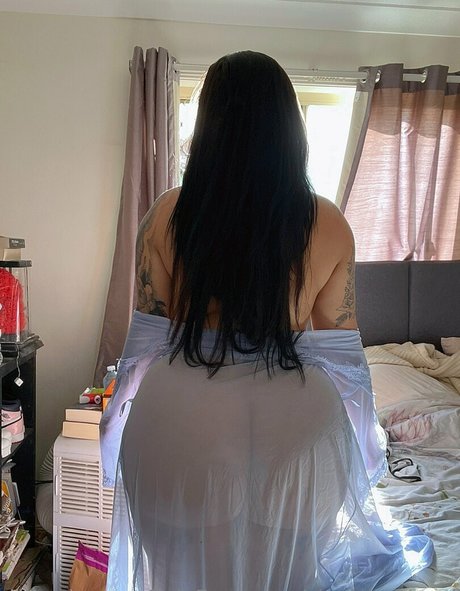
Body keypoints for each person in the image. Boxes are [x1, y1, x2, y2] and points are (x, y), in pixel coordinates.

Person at [101, 51, 433, 590]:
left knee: (175, 575)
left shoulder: (164, 215)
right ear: (289, 129)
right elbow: (345, 361)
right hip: (297, 425)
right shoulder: (328, 222)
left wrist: (112, 428)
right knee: (290, 576)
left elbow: (144, 346)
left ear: (206, 126)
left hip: (181, 417)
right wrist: (367, 444)